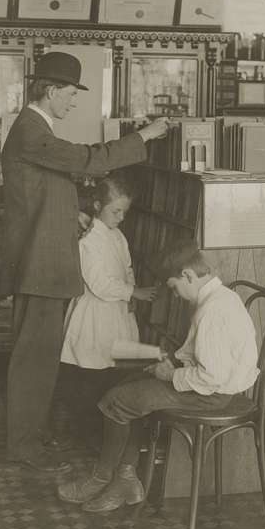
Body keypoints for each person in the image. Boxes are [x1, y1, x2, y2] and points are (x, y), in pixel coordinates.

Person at [1, 50, 169, 473]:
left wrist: (70, 210)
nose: (73, 101)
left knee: (39, 358)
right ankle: (22, 444)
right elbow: (87, 160)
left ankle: (30, 435)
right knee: (33, 361)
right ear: (51, 90)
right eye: (71, 93)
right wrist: (143, 137)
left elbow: (44, 186)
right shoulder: (31, 129)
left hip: (46, 264)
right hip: (41, 268)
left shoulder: (35, 130)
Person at [58, 239, 259, 513]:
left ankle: (102, 478)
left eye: (174, 287)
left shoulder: (211, 311)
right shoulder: (220, 297)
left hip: (213, 396)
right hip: (214, 387)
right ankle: (126, 479)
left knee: (117, 400)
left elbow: (211, 376)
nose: (175, 295)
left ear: (187, 275)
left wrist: (171, 374)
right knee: (129, 384)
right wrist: (168, 360)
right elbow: (202, 353)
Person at [52, 175, 156, 451]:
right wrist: (133, 293)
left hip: (118, 315)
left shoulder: (118, 235)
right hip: (95, 316)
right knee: (91, 377)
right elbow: (100, 285)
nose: (121, 217)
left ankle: (109, 436)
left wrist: (131, 290)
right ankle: (87, 437)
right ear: (97, 206)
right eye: (116, 211)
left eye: (125, 212)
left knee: (114, 375)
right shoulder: (87, 241)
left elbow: (127, 268)